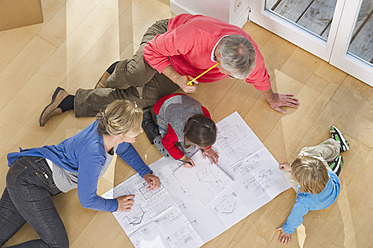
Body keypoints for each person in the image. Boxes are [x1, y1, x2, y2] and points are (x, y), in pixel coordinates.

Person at [38, 14, 299, 127]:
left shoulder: (248, 58)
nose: (231, 79)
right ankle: (117, 71)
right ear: (218, 56)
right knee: (139, 73)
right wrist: (175, 77)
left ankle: (71, 100)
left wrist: (272, 97)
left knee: (143, 100)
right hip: (163, 41)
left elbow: (261, 80)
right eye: (229, 74)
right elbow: (153, 51)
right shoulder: (192, 35)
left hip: (183, 69)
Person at [0, 99, 160, 247]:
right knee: (57, 245)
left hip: (29, 170)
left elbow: (123, 147)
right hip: (29, 181)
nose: (140, 131)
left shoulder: (107, 130)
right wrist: (115, 205)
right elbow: (87, 200)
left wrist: (145, 172)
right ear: (121, 133)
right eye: (136, 128)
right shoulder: (94, 155)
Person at [276, 126, 350, 244]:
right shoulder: (320, 169)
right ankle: (336, 147)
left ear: (302, 185)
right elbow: (311, 168)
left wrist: (287, 230)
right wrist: (294, 168)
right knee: (309, 155)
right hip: (333, 186)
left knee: (303, 154)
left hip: (317, 202)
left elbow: (295, 217)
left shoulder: (303, 201)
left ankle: (338, 146)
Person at [143, 93, 219, 167]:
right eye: (198, 145)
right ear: (187, 136)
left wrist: (208, 148)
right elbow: (166, 143)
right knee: (169, 155)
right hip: (161, 109)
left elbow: (205, 133)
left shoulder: (205, 116)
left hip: (178, 99)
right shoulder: (177, 132)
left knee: (190, 149)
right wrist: (183, 158)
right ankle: (147, 123)